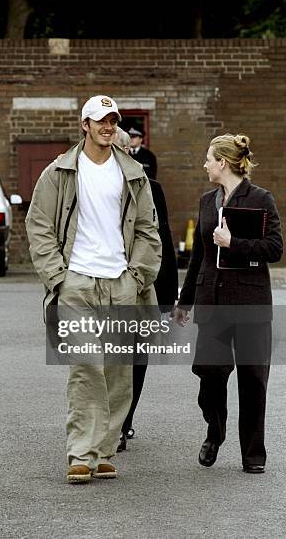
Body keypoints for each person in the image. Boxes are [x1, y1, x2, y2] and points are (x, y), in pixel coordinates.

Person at [25, 95, 161, 483]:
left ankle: (103, 450)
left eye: (113, 121)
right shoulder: (60, 172)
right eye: (100, 120)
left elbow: (149, 231)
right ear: (84, 124)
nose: (107, 126)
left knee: (119, 373)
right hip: (78, 284)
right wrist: (58, 277)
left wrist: (137, 277)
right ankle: (81, 453)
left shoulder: (133, 172)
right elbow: (39, 226)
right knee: (85, 367)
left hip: (123, 284)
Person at [173, 133, 283, 474]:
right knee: (209, 373)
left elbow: (274, 248)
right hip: (212, 301)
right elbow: (199, 256)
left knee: (253, 379)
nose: (205, 164)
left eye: (209, 158)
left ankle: (253, 454)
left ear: (223, 162)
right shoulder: (207, 201)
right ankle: (215, 430)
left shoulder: (261, 199)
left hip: (250, 302)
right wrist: (185, 299)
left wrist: (234, 242)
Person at [114, 127, 178, 451]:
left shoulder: (152, 189)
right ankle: (108, 420)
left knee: (137, 354)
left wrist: (168, 296)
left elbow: (163, 240)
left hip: (140, 287)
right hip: (103, 287)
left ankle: (124, 422)